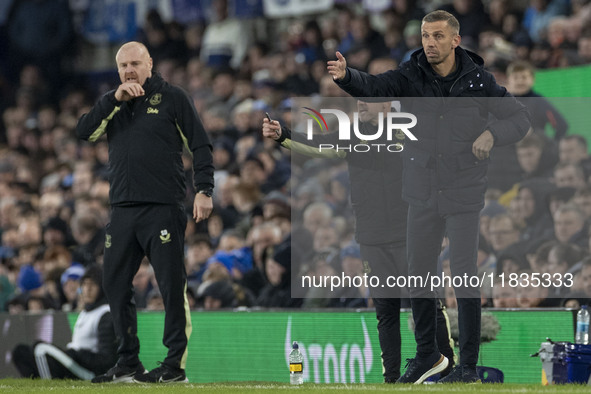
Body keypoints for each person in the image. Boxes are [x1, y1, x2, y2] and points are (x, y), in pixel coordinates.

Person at [328, 10, 530, 383]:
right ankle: (428, 355)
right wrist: (348, 77)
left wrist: (492, 135)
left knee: (465, 276)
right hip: (420, 193)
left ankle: (467, 366)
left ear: (455, 40)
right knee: (418, 277)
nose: (429, 43)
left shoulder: (479, 82)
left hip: (463, 193)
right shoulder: (410, 74)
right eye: (424, 36)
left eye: (437, 36)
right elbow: (375, 88)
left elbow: (520, 119)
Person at [262, 99, 455, 382]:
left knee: (426, 303)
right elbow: (319, 144)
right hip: (371, 237)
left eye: (370, 100)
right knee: (385, 310)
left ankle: (449, 367)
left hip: (412, 234)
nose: (362, 104)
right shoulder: (353, 135)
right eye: (360, 100)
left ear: (388, 106)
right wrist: (284, 135)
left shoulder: (414, 132)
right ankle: (391, 379)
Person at [76, 41, 214, 383]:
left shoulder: (173, 98)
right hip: (122, 209)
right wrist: (113, 99)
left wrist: (204, 190)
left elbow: (200, 144)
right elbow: (84, 131)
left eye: (135, 63)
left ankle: (174, 366)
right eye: (123, 65)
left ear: (150, 63)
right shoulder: (114, 103)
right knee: (114, 285)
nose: (129, 70)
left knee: (170, 286)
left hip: (163, 207)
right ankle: (128, 362)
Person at [12, 265, 117, 380]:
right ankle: (33, 385)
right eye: (85, 284)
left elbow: (107, 360)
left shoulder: (106, 313)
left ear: (102, 287)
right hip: (74, 360)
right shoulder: (86, 312)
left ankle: (47, 386)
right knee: (20, 351)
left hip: (88, 371)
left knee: (40, 348)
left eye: (92, 285)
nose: (87, 289)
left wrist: (76, 354)